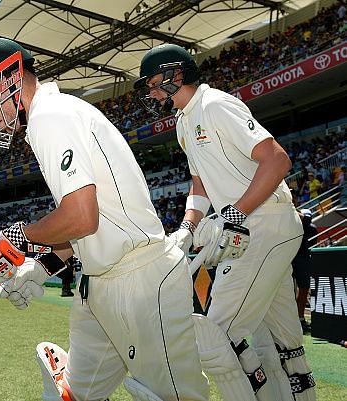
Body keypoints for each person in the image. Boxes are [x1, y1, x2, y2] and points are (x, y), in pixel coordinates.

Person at [0, 38, 208, 401]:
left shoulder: (50, 117)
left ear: (9, 77)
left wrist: (14, 238)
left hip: (138, 280)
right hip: (101, 285)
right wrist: (41, 268)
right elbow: (86, 227)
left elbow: (81, 216)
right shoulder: (49, 118)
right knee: (75, 394)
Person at [135, 43, 316, 401]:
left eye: (154, 82)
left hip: (266, 223)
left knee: (216, 333)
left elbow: (277, 160)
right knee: (279, 340)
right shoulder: (183, 120)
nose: (151, 91)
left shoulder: (215, 104)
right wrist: (187, 228)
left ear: (177, 74)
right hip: (250, 229)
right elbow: (199, 185)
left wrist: (234, 213)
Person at [292, 209, 318, 333]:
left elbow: (307, 220)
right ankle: (299, 319)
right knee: (297, 292)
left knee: (302, 292)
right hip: (298, 260)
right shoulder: (311, 227)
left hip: (296, 260)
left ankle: (300, 319)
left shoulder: (309, 227)